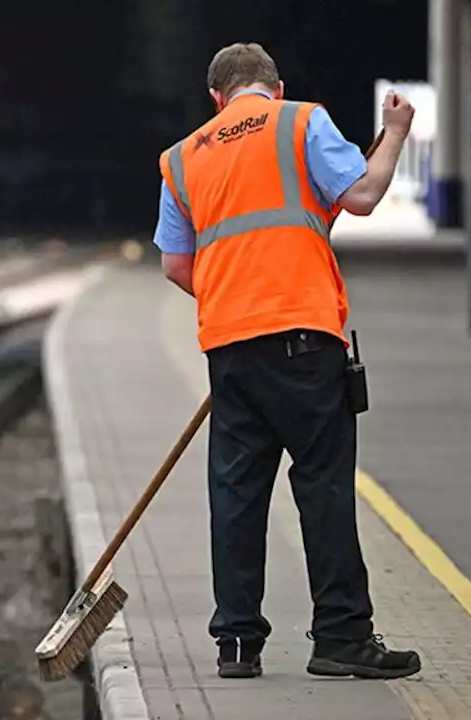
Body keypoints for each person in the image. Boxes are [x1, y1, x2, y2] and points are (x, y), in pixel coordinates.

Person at [152, 42, 422, 681]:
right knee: (322, 488)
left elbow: (175, 264)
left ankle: (237, 647)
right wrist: (397, 132)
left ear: (216, 99)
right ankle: (341, 638)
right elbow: (361, 196)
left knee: (237, 495)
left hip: (229, 347)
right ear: (274, 88)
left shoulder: (183, 157)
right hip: (303, 341)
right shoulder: (301, 121)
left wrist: (236, 302)